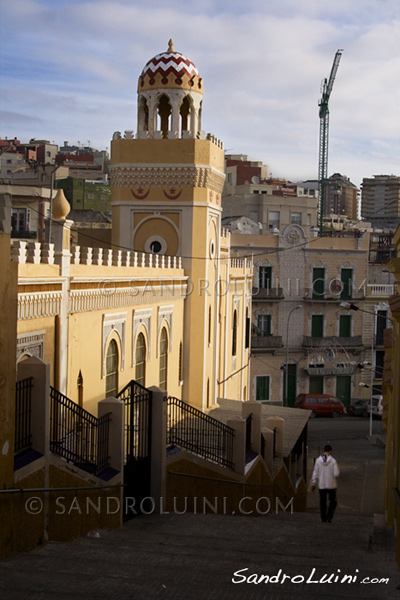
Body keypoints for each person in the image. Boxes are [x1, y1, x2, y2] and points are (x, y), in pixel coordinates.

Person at [311, 444, 340, 523]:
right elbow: (336, 473)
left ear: (324, 451)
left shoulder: (318, 460)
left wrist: (313, 484)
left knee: (322, 502)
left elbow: (315, 473)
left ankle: (323, 518)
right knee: (333, 501)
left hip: (322, 485)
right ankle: (329, 515)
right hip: (331, 485)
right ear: (330, 451)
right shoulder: (333, 461)